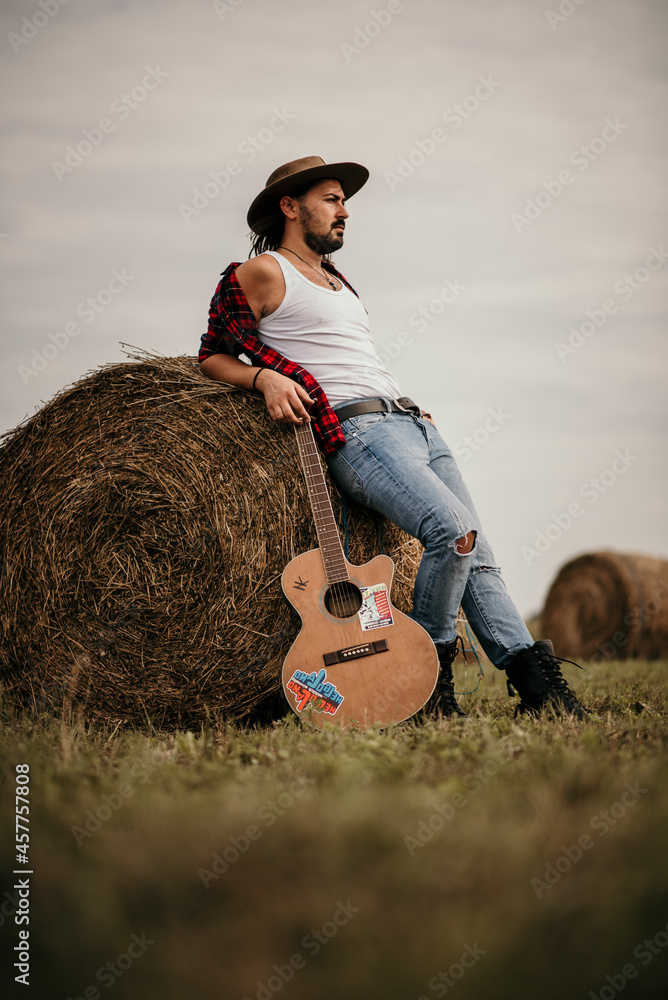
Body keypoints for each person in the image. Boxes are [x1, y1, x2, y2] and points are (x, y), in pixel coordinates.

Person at [198, 155, 587, 720]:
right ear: (290, 206)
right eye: (331, 199)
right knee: (450, 532)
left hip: (412, 423)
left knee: (477, 552)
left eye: (343, 200)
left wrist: (406, 409)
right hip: (356, 430)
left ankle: (537, 687)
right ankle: (426, 682)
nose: (344, 211)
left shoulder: (337, 281)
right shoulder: (264, 272)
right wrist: (264, 377)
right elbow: (211, 353)